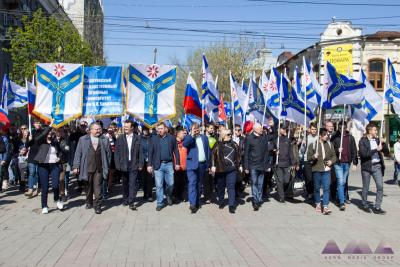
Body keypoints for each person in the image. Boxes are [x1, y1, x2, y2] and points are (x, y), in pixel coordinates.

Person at [73, 122, 111, 214]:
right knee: (88, 187)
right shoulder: (83, 139)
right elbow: (78, 153)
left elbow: (108, 154)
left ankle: (97, 205)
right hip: (87, 167)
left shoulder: (104, 139)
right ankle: (89, 201)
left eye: (99, 129)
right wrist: (76, 166)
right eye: (96, 129)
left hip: (99, 168)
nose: (98, 131)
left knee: (98, 187)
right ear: (90, 130)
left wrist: (107, 165)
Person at [148, 122, 180, 211]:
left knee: (171, 183)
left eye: (161, 128)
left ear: (165, 129)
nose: (160, 130)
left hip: (169, 164)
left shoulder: (171, 138)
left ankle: (168, 195)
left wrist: (177, 163)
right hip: (158, 165)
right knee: (159, 185)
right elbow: (150, 153)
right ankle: (160, 203)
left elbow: (176, 151)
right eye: (158, 129)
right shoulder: (153, 139)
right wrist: (149, 165)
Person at [33, 122, 64, 214]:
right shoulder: (40, 141)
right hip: (43, 166)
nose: (49, 133)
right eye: (48, 132)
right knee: (45, 187)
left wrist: (59, 158)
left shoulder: (55, 141)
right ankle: (44, 206)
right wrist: (50, 126)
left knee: (55, 185)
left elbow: (61, 151)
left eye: (51, 132)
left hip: (54, 165)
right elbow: (41, 136)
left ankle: (57, 200)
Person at [114, 120, 143, 210]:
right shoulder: (120, 138)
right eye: (124, 126)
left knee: (133, 183)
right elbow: (116, 153)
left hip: (134, 164)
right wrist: (117, 164)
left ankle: (131, 201)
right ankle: (125, 199)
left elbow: (141, 152)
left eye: (127, 126)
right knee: (125, 184)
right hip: (123, 164)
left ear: (132, 128)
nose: (125, 128)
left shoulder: (138, 138)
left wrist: (141, 164)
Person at [307, 128, 336, 215]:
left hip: (326, 169)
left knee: (326, 188)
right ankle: (318, 204)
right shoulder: (313, 145)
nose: (327, 136)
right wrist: (313, 156)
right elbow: (308, 158)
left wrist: (331, 161)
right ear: (320, 135)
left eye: (327, 135)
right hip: (316, 169)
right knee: (316, 188)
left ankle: (326, 206)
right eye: (325, 135)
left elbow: (334, 156)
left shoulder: (330, 144)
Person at [211, 128, 241, 214]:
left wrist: (240, 165)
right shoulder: (217, 144)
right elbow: (213, 155)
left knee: (231, 187)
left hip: (232, 169)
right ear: (223, 136)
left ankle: (231, 205)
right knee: (221, 187)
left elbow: (238, 155)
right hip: (221, 169)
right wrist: (213, 165)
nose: (230, 136)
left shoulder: (234, 144)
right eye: (228, 134)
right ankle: (221, 201)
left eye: (230, 134)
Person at [358, 123, 386, 214]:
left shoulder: (377, 140)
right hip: (366, 167)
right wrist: (375, 150)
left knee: (380, 186)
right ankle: (364, 204)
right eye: (375, 130)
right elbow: (364, 154)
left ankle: (377, 207)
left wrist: (383, 143)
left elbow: (386, 152)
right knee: (366, 187)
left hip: (377, 166)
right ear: (369, 131)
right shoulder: (362, 141)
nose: (376, 131)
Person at [183, 123, 210, 213]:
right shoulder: (188, 137)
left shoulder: (204, 138)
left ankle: (197, 201)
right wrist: (192, 135)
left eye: (198, 129)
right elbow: (185, 144)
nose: (196, 131)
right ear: (191, 130)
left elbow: (208, 151)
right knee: (192, 183)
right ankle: (192, 204)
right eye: (195, 129)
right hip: (192, 164)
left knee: (199, 184)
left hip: (202, 164)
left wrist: (208, 164)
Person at [331, 121, 358, 210]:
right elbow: (330, 150)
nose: (341, 129)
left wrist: (355, 163)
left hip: (347, 163)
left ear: (346, 127)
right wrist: (337, 150)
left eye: (342, 127)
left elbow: (354, 150)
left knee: (343, 181)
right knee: (340, 181)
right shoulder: (334, 137)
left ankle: (340, 197)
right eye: (339, 127)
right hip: (338, 163)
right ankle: (342, 202)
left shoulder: (350, 138)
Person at [244, 123, 270, 211]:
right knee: (254, 183)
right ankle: (255, 201)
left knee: (260, 184)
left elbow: (267, 152)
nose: (261, 130)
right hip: (253, 165)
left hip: (262, 165)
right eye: (260, 129)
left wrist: (267, 165)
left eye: (261, 128)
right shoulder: (249, 138)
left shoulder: (264, 137)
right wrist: (246, 167)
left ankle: (258, 198)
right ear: (255, 129)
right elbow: (246, 153)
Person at [272, 125, 294, 203]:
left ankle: (281, 191)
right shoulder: (276, 140)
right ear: (279, 129)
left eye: (285, 129)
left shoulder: (288, 140)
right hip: (278, 164)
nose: (284, 130)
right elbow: (270, 148)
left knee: (286, 181)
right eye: (283, 129)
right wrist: (274, 150)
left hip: (287, 164)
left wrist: (292, 163)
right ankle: (281, 197)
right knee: (280, 181)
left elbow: (291, 152)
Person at [300, 123, 318, 202]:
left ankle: (314, 193)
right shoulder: (306, 138)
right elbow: (301, 151)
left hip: (316, 161)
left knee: (315, 178)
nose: (314, 131)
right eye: (312, 129)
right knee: (308, 178)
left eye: (315, 129)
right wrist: (303, 145)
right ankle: (310, 192)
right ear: (309, 130)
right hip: (307, 160)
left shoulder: (318, 138)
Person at [174, 126, 187, 202]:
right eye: (182, 133)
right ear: (178, 134)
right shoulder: (173, 142)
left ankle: (181, 196)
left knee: (182, 182)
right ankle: (175, 196)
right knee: (176, 182)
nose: (184, 135)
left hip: (184, 166)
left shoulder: (185, 142)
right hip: (175, 165)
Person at [140, 126, 153, 201]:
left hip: (150, 160)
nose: (145, 131)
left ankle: (150, 194)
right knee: (143, 178)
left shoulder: (151, 138)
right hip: (142, 161)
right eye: (144, 130)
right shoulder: (140, 138)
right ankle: (145, 193)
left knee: (150, 178)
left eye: (146, 130)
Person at [0, 128, 12, 192]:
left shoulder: (4, 139)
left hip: (2, 157)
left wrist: (4, 159)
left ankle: (3, 183)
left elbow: (6, 150)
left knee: (1, 172)